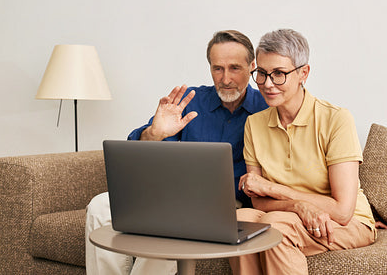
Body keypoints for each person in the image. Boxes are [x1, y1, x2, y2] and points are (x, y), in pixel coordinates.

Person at [85, 30, 268, 275]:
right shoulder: (190, 101)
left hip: (224, 205)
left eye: (234, 68)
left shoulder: (266, 107)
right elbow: (138, 149)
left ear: (252, 66)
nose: (225, 79)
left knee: (174, 228)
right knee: (99, 207)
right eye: (217, 68)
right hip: (170, 194)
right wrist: (156, 133)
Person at [229, 29, 376, 275]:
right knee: (237, 221)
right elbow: (258, 200)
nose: (267, 84)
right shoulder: (254, 125)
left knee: (276, 227)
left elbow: (342, 210)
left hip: (350, 222)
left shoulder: (335, 119)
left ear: (303, 73)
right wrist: (298, 206)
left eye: (279, 74)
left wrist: (275, 189)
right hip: (286, 215)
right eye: (262, 73)